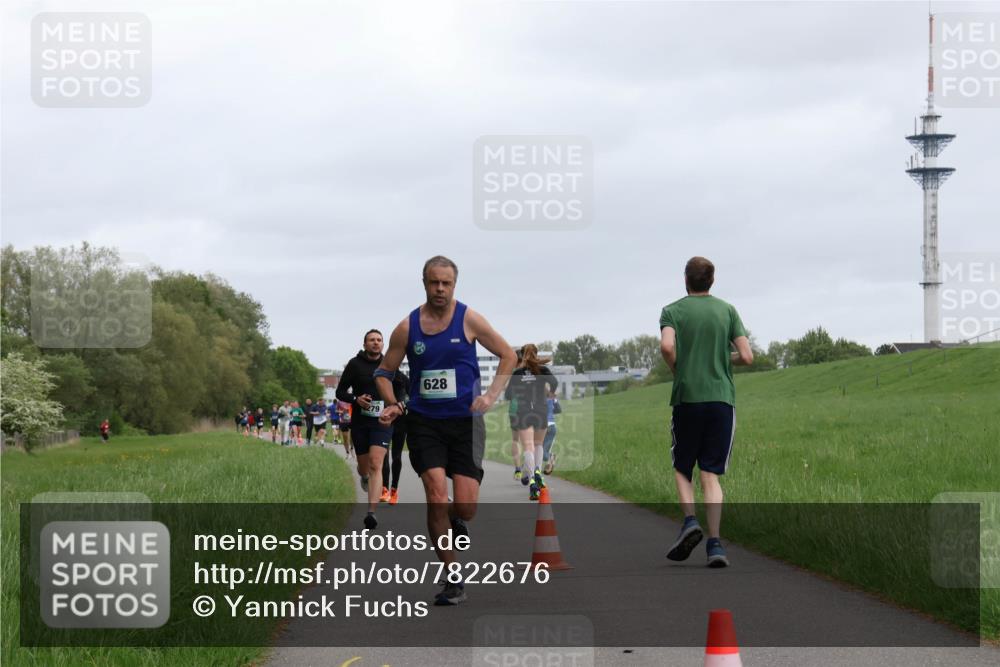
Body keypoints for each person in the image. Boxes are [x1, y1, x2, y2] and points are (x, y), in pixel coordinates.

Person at [376, 255, 516, 606]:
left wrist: (490, 396)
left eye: (446, 283)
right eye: (433, 282)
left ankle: (455, 518)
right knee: (436, 495)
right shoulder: (407, 328)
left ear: (455, 284)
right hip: (424, 422)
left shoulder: (468, 319)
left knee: (465, 507)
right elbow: (383, 372)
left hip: (466, 421)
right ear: (424, 283)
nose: (440, 289)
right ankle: (453, 578)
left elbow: (507, 355)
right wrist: (393, 402)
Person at [660, 256, 753, 568]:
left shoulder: (672, 310)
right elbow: (747, 356)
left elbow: (667, 347)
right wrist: (723, 360)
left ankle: (689, 521)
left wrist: (678, 370)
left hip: (687, 398)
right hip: (721, 400)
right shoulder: (727, 311)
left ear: (685, 280)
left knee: (682, 466)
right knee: (711, 473)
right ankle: (715, 543)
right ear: (711, 281)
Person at [338, 330, 396, 526]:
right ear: (365, 344)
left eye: (379, 340)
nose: (376, 343)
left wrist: (399, 405)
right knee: (365, 467)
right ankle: (363, 476)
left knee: (376, 463)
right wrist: (356, 399)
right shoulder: (355, 364)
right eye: (372, 340)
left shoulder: (389, 364)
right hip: (360, 423)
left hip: (383, 421)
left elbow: (404, 387)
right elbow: (340, 391)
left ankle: (371, 512)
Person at [505, 344, 558, 500]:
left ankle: (533, 482)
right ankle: (537, 472)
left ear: (522, 355)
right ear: (536, 354)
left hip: (524, 412)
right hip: (541, 411)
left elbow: (508, 395)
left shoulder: (518, 373)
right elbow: (554, 383)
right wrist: (550, 394)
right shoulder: (543, 370)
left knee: (528, 446)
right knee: (538, 444)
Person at [381, 370, 410, 505]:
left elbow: (413, 396)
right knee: (384, 455)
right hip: (385, 420)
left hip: (401, 422)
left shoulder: (403, 378)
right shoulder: (381, 377)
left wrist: (405, 405)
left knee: (396, 456)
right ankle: (384, 489)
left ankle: (394, 490)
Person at [509, 347, 526, 484]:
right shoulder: (533, 373)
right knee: (529, 441)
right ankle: (529, 469)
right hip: (530, 409)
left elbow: (508, 394)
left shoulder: (515, 374)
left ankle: (518, 469)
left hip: (514, 409)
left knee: (515, 440)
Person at [542, 388, 561, 474]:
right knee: (540, 451)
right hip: (548, 427)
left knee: (542, 452)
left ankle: (550, 457)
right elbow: (558, 410)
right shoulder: (551, 399)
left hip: (546, 427)